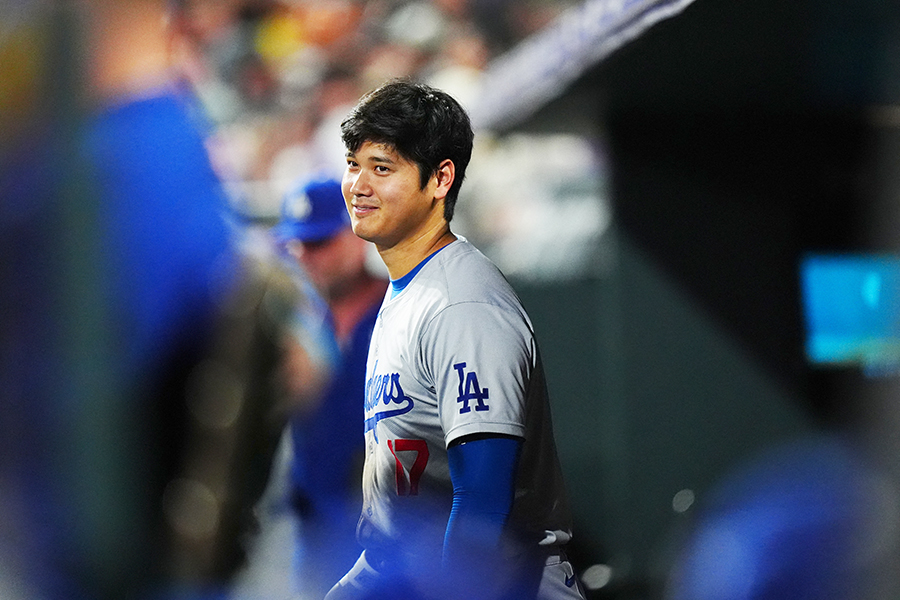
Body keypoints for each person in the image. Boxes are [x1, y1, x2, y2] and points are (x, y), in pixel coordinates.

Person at [324, 79, 586, 600]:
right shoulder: (410, 290)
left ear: (441, 179)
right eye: (354, 164)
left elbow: (483, 502)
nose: (358, 184)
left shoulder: (460, 304)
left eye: (382, 168)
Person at [279, 175, 390, 598]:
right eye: (299, 245)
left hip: (396, 535)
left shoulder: (404, 310)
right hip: (315, 533)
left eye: (322, 242)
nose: (309, 257)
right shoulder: (299, 327)